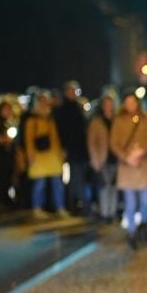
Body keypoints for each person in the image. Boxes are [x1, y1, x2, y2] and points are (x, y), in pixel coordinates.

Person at [111, 92, 147, 248]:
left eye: (132, 102)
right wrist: (126, 157)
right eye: (127, 102)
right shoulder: (119, 121)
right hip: (127, 168)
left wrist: (142, 151)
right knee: (130, 202)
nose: (130, 105)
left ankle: (144, 225)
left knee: (146, 201)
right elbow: (114, 143)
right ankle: (132, 231)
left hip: (144, 165)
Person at [22, 91, 66, 217]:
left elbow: (55, 138)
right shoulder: (32, 120)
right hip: (38, 156)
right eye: (41, 102)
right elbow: (28, 139)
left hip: (52, 155)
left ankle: (60, 207)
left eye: (45, 101)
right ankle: (37, 208)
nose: (44, 104)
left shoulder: (50, 119)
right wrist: (30, 155)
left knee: (57, 182)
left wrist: (59, 153)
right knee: (40, 184)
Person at [53, 81, 89, 215]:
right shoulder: (62, 110)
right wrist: (63, 148)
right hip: (71, 150)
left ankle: (76, 204)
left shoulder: (78, 108)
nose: (72, 93)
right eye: (70, 91)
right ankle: (77, 205)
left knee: (79, 178)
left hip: (81, 150)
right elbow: (62, 131)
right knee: (74, 179)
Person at [87, 92, 119, 225]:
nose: (109, 106)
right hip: (102, 159)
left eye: (111, 104)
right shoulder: (96, 122)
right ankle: (105, 213)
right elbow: (91, 142)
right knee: (105, 187)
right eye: (106, 104)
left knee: (115, 187)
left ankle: (113, 212)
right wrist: (95, 160)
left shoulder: (117, 120)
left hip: (116, 158)